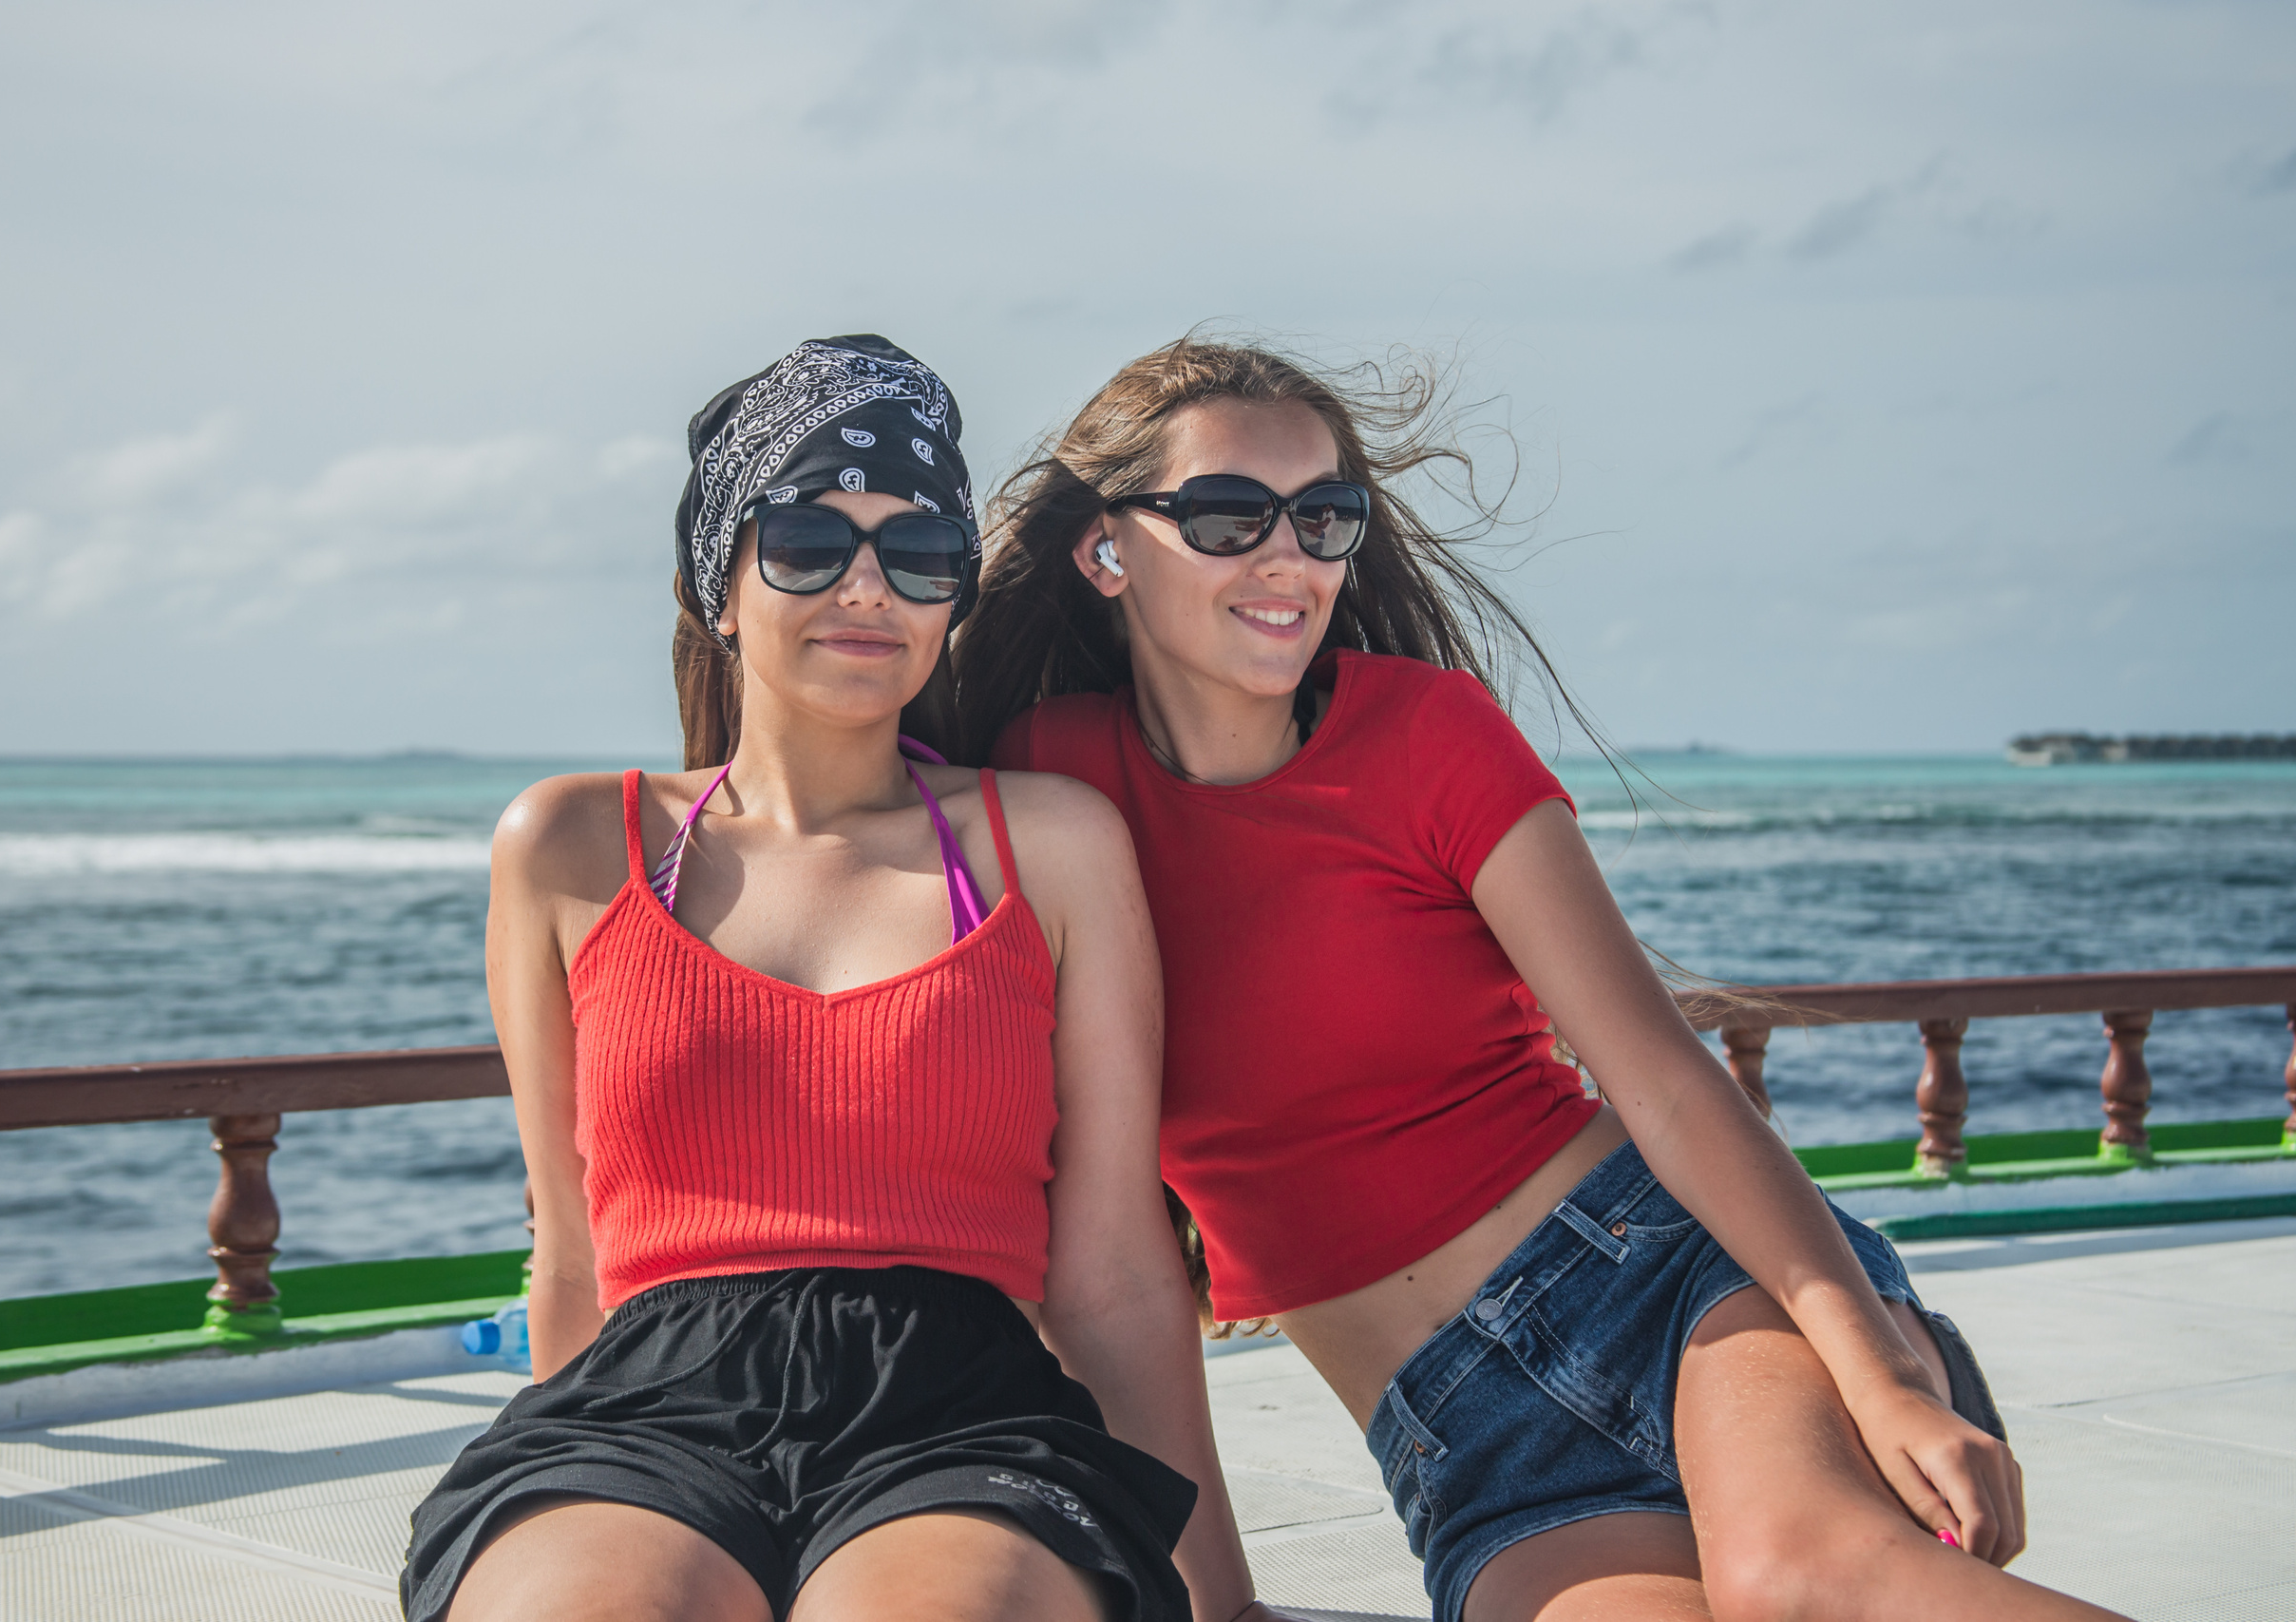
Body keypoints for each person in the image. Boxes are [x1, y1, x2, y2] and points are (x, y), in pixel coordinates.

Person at [956, 337, 2128, 1622]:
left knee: (1804, 1580)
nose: (1290, 556)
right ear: (1106, 550)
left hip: (1676, 1284)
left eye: (1325, 516)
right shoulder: (1046, 792)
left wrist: (1882, 1369)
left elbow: (1668, 1085)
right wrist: (1214, 1608)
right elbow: (1103, 1245)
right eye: (1233, 517)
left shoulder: (1428, 735)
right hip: (1474, 1444)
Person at [403, 335, 1281, 1622]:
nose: (866, 589)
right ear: (719, 584)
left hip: (963, 1413)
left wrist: (1223, 1599)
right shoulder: (572, 846)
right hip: (643, 1407)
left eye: (918, 555)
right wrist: (570, 1479)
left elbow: (1114, 1272)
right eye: (810, 544)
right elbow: (576, 1251)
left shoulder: (1049, 843)